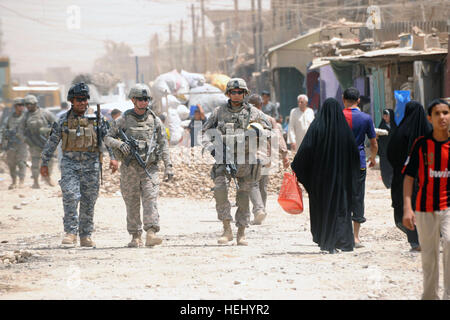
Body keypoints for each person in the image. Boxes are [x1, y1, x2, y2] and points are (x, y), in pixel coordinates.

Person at [40, 82, 112, 247]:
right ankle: (71, 232)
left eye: (85, 99)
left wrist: (113, 158)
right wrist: (44, 163)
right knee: (71, 197)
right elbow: (51, 143)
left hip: (91, 165)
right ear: (71, 101)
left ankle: (85, 235)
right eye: (78, 99)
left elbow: (108, 140)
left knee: (89, 201)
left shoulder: (97, 119)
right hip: (70, 165)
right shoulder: (63, 120)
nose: (82, 102)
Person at [202, 78, 272, 246]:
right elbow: (204, 131)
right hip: (224, 158)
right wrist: (212, 148)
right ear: (228, 94)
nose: (236, 95)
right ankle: (227, 228)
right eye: (233, 92)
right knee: (220, 191)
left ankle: (241, 231)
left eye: (239, 92)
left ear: (244, 93)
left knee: (243, 195)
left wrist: (257, 134)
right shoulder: (218, 112)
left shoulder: (253, 112)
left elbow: (268, 129)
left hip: (246, 160)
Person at [105, 84, 173, 248]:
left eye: (146, 99)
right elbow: (107, 138)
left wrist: (168, 166)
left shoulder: (155, 120)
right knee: (132, 201)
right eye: (141, 99)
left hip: (149, 167)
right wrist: (119, 145)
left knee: (150, 199)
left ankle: (151, 232)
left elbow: (163, 144)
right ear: (133, 100)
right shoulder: (123, 120)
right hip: (130, 168)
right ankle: (135, 235)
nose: (144, 102)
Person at [291, 98, 360, 253]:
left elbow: (303, 153)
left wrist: (305, 174)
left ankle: (326, 241)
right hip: (341, 180)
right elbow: (354, 155)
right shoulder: (344, 130)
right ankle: (342, 241)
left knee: (324, 208)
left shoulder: (317, 127)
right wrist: (351, 175)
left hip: (320, 181)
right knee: (341, 208)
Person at [402, 99, 450, 300]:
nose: (442, 118)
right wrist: (407, 208)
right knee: (429, 256)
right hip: (424, 208)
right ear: (429, 118)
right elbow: (409, 177)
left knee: (449, 242)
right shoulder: (421, 145)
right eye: (437, 114)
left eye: (446, 113)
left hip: (448, 206)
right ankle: (430, 296)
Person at [388, 101, 432, 251]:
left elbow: (391, 154)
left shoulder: (400, 132)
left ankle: (415, 240)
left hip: (405, 178)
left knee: (409, 205)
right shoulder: (430, 131)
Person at [342, 87, 378, 248]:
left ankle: (343, 235)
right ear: (358, 100)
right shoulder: (366, 118)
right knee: (357, 196)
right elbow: (373, 143)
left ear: (343, 99)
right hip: (359, 162)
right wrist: (372, 158)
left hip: (341, 162)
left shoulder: (339, 116)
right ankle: (356, 237)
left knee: (342, 195)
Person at [247, 93, 289, 224]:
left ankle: (258, 210)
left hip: (250, 157)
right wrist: (284, 154)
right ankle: (262, 211)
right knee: (262, 185)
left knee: (252, 184)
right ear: (261, 105)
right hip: (266, 157)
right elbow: (278, 137)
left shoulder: (245, 119)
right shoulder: (269, 119)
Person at [20, 94, 57, 189]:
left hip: (46, 142)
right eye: (26, 104)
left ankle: (47, 178)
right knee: (35, 163)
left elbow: (56, 124)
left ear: (35, 103)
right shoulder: (25, 116)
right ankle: (35, 182)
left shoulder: (45, 113)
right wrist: (26, 140)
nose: (28, 106)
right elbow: (20, 131)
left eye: (30, 104)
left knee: (50, 161)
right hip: (33, 144)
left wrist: (47, 131)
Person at [1, 98, 28, 189]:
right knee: (11, 164)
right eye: (19, 105)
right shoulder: (9, 118)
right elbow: (3, 130)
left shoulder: (26, 117)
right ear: (15, 106)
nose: (22, 107)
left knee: (21, 163)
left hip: (22, 144)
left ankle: (21, 181)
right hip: (11, 144)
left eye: (22, 105)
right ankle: (14, 182)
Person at [378, 109, 397, 188]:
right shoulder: (382, 126)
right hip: (384, 152)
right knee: (385, 168)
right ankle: (387, 184)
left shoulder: (395, 127)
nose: (385, 117)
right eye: (384, 115)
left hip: (393, 152)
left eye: (387, 115)